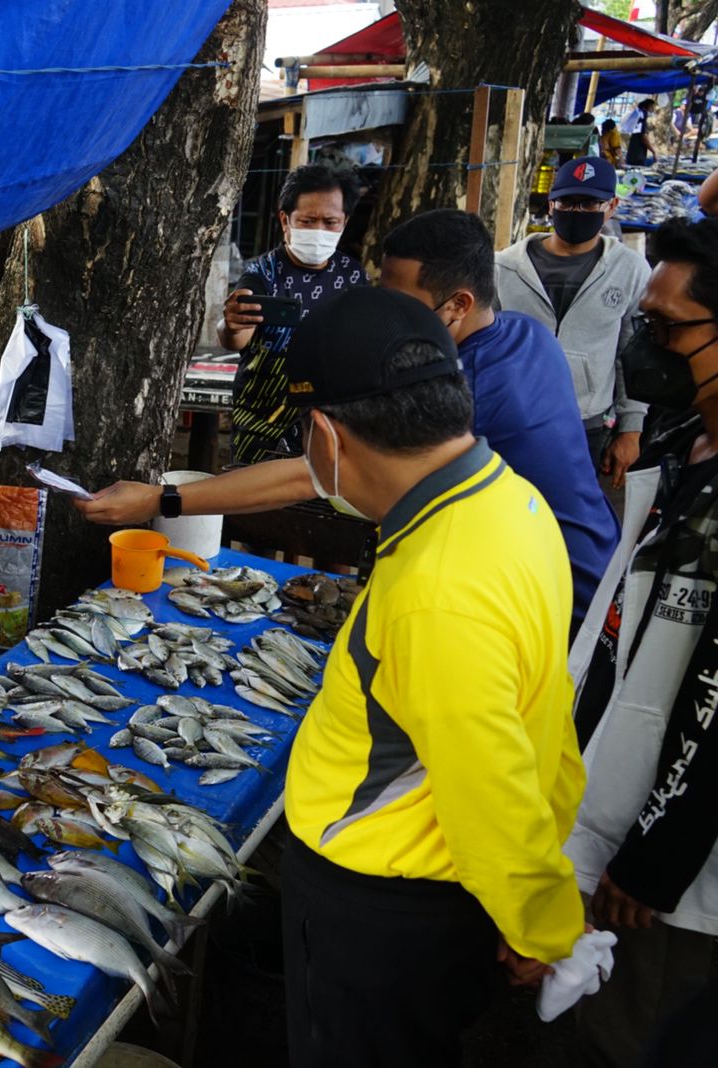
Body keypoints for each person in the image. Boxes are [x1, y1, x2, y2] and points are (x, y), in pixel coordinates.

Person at [275, 287, 586, 1066]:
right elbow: (545, 708)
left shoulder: (439, 591)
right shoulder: (510, 500)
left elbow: (490, 787)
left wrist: (539, 926)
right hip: (432, 893)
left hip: (382, 907)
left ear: (323, 432)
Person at [79, 210, 618, 635]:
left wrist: (161, 500)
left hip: (553, 594)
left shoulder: (453, 392)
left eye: (403, 304)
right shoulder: (526, 334)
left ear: (457, 305)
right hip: (576, 557)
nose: (388, 318)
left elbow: (311, 473)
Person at [565, 216, 718, 1068]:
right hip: (621, 804)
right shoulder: (678, 435)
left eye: (666, 329)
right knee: (602, 1015)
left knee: (649, 1034)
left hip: (679, 868)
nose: (646, 348)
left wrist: (659, 856)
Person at [496, 156, 651, 485]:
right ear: (551, 205)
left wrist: (631, 429)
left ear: (611, 207)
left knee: (565, 519)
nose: (577, 212)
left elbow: (633, 354)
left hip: (584, 425)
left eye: (589, 203)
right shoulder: (504, 268)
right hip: (510, 418)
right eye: (567, 201)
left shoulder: (630, 270)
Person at [219, 162, 368, 464]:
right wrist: (231, 325)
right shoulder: (261, 274)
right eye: (308, 220)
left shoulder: (353, 275)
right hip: (261, 426)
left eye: (330, 222)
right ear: (285, 220)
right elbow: (236, 336)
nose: (319, 231)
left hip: (329, 425)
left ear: (345, 221)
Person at [623, 98, 658, 167]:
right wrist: (653, 151)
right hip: (637, 153)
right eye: (652, 107)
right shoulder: (642, 117)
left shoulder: (638, 115)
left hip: (633, 151)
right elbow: (643, 137)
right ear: (648, 107)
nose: (653, 110)